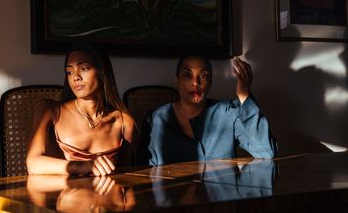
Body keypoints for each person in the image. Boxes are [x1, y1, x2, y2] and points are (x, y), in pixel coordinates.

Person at [141, 56, 277, 165]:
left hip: (223, 197)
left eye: (204, 76)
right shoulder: (158, 118)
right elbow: (148, 171)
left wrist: (244, 95)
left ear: (210, 82)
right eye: (187, 75)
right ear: (177, 80)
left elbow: (266, 152)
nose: (196, 82)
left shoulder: (229, 112)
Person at [26, 44, 135, 176]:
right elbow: (33, 164)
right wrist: (81, 166)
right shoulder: (49, 110)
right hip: (61, 195)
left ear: (102, 72)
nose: (75, 77)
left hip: (109, 195)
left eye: (84, 68)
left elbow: (127, 177)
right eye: (69, 72)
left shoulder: (124, 121)